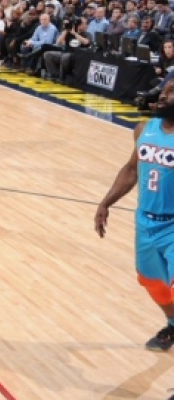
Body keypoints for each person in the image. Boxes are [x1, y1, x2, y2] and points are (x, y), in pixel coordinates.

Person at [97, 79, 174, 351]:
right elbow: (131, 170)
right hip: (145, 222)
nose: (163, 95)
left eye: (171, 92)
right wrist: (106, 202)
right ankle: (172, 324)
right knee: (152, 282)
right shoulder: (144, 129)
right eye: (164, 91)